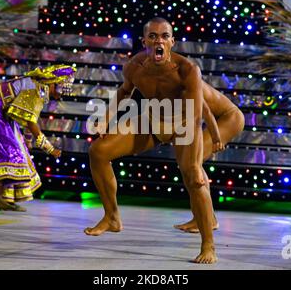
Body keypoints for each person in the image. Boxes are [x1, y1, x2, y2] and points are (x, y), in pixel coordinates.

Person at [85, 17, 217, 264]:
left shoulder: (188, 70)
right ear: (144, 41)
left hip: (183, 125)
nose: (159, 40)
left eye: (165, 36)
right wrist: (106, 118)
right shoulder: (134, 66)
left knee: (195, 178)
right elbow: (125, 91)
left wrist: (197, 162)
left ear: (172, 41)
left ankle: (208, 244)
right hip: (152, 121)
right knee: (98, 151)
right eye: (153, 36)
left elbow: (197, 116)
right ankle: (112, 217)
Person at [0, 65, 75, 211]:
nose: (60, 95)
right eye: (61, 89)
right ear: (54, 83)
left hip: (2, 112)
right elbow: (31, 123)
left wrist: (28, 140)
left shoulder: (39, 89)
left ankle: (1, 199)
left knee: (14, 154)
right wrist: (49, 148)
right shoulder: (36, 90)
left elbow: (27, 117)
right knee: (7, 155)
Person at [174, 84, 244, 233]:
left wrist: (216, 138)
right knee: (187, 165)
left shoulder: (183, 78)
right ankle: (201, 218)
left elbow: (204, 111)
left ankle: (207, 220)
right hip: (216, 118)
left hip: (229, 118)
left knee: (192, 165)